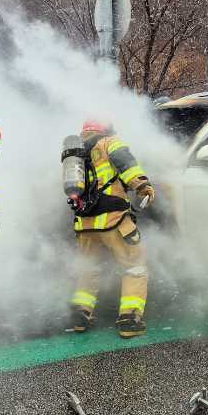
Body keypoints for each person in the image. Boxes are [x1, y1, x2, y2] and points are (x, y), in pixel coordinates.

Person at [67, 119, 156, 338]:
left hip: (85, 225)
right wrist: (142, 185)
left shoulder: (75, 153)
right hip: (113, 221)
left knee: (88, 268)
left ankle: (81, 314)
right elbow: (127, 164)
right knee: (135, 267)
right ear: (106, 129)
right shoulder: (110, 142)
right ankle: (130, 319)